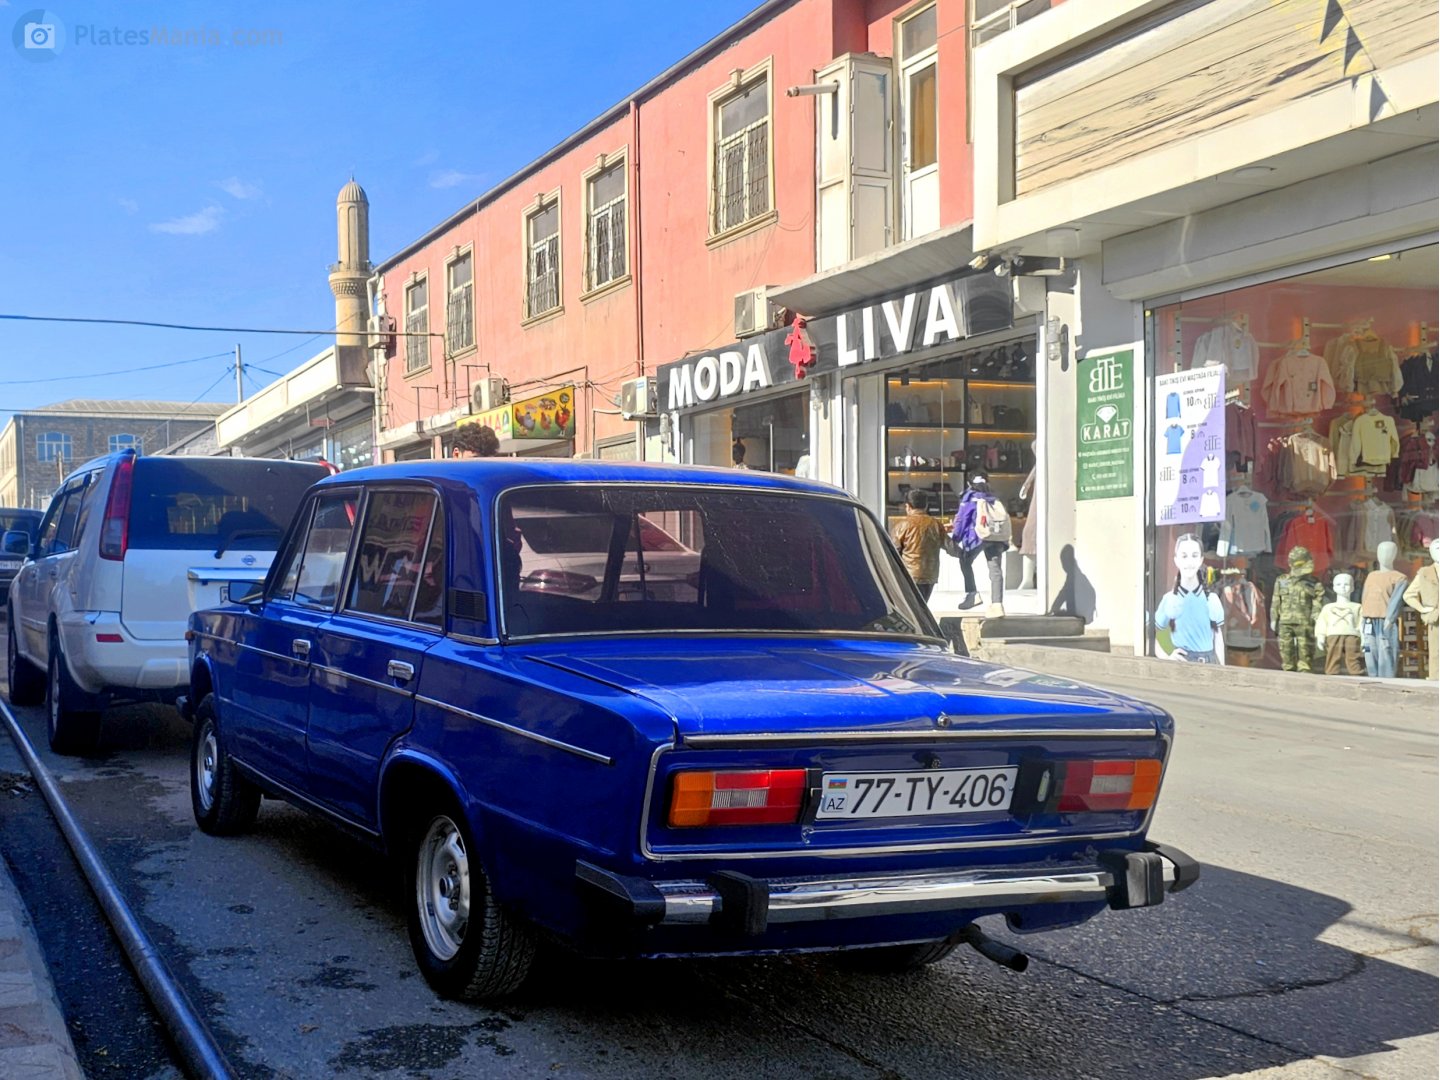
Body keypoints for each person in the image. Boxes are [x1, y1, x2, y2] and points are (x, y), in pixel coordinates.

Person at [1155, 533, 1224, 663]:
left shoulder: (1212, 600)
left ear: (1201, 560)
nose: (1189, 562)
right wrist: (1167, 657)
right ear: (1176, 560)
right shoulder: (1169, 600)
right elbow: (1150, 635)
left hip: (1209, 665)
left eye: (1194, 555)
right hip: (1182, 664)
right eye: (1184, 556)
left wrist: (1222, 672)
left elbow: (1218, 638)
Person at [951, 475, 1010, 614]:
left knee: (965, 561)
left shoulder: (970, 498)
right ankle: (997, 604)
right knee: (995, 570)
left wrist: (955, 539)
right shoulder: (994, 498)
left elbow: (962, 520)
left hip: (977, 537)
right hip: (996, 537)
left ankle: (972, 594)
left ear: (969, 484)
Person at [890, 489, 947, 601]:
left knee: (913, 607)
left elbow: (893, 551)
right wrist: (965, 555)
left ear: (908, 506)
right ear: (926, 505)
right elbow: (949, 545)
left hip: (909, 575)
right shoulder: (935, 524)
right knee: (923, 605)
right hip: (930, 574)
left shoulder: (902, 526)